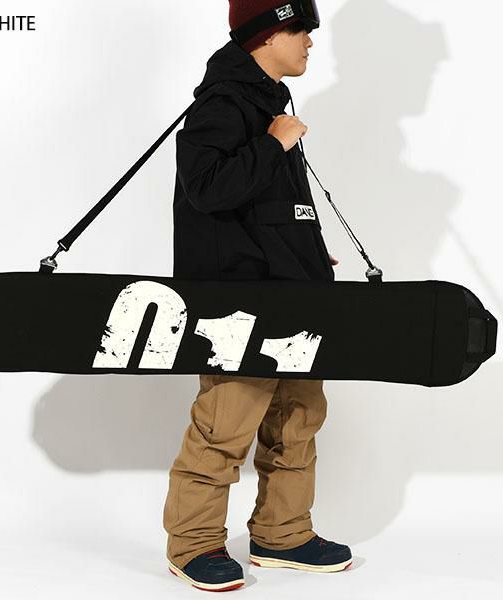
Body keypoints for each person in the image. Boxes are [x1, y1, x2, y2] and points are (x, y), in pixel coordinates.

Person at [163, 1, 352, 592]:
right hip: (238, 302)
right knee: (226, 422)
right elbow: (207, 190)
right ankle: (193, 543)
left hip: (293, 291)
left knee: (298, 418)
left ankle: (283, 534)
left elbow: (271, 208)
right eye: (300, 30)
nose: (310, 42)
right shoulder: (223, 104)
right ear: (266, 35)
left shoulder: (271, 103)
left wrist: (307, 253)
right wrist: (272, 144)